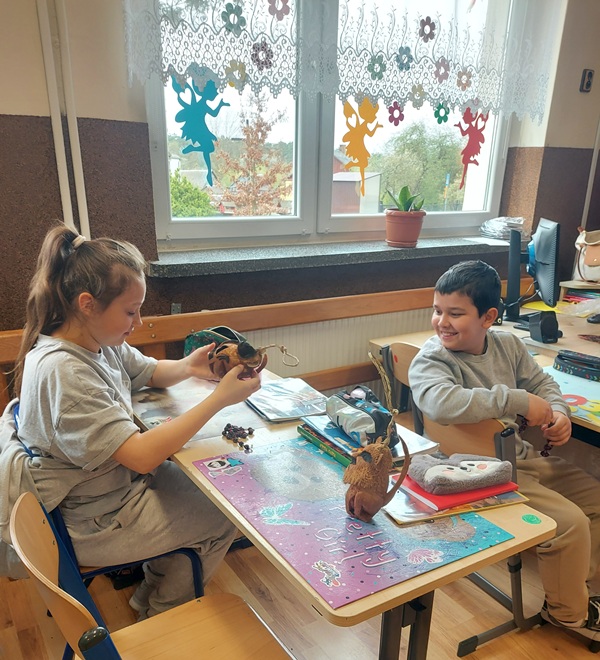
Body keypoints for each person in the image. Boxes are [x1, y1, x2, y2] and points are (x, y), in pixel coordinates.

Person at [7, 224, 261, 618]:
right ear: (87, 303)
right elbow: (141, 456)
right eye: (130, 311)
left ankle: (149, 593)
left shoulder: (93, 339)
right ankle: (164, 614)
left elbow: (147, 371)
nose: (138, 321)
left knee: (217, 487)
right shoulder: (66, 372)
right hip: (93, 519)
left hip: (111, 488)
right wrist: (219, 400)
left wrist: (189, 366)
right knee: (226, 514)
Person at [409, 260, 600, 641]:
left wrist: (558, 412)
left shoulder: (508, 344)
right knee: (570, 524)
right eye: (437, 310)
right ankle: (568, 614)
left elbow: (543, 383)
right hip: (472, 473)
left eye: (455, 313)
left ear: (488, 317)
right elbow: (440, 403)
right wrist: (518, 400)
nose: (442, 322)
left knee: (595, 499)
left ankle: (576, 592)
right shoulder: (431, 359)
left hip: (517, 459)